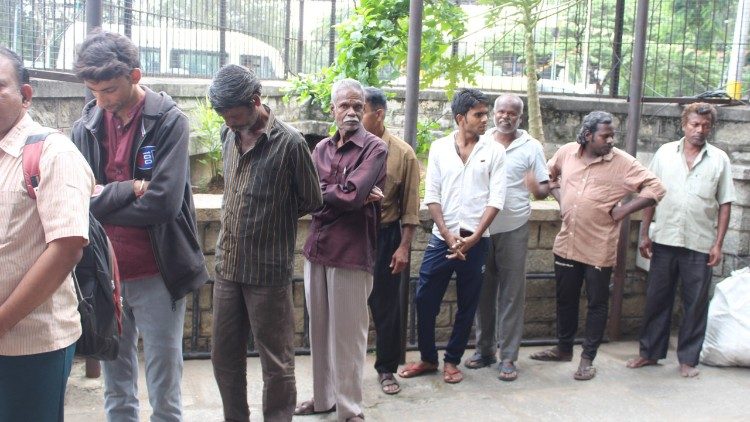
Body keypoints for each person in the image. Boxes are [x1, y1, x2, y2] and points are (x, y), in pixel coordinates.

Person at [71, 31, 209, 421]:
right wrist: (129, 189)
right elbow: (76, 197)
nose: (101, 100)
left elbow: (163, 204)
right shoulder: (87, 124)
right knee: (116, 380)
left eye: (109, 89)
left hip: (158, 270)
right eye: (93, 90)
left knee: (164, 380)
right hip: (106, 272)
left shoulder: (169, 121)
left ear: (135, 75)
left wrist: (101, 199)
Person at [207, 64, 322, 421]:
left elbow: (312, 199)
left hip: (268, 272)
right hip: (227, 267)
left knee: (276, 363)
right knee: (224, 357)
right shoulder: (229, 136)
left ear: (256, 101)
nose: (228, 120)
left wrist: (273, 216)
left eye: (234, 113)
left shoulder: (290, 144)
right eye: (222, 114)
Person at [530, 110, 665, 381]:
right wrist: (560, 197)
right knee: (565, 300)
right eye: (606, 135)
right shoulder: (568, 152)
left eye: (612, 134)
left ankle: (587, 358)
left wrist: (623, 210)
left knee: (596, 303)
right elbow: (549, 176)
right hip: (567, 243)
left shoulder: (622, 163)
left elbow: (656, 188)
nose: (611, 140)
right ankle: (564, 349)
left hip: (598, 247)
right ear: (588, 135)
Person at [0, 46, 94, 422]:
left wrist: (2, 323)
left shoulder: (53, 153)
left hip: (31, 345)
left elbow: (67, 249)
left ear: (25, 95)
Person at [398, 88, 506, 384]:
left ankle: (452, 361)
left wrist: (473, 238)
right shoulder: (439, 148)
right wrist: (446, 234)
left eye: (486, 113)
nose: (486, 119)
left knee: (467, 303)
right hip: (440, 240)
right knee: (424, 299)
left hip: (476, 241)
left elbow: (496, 199)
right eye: (479, 114)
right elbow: (431, 194)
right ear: (461, 118)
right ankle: (428, 358)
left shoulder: (495, 151)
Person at [294, 79, 386, 422]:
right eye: (344, 106)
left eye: (357, 106)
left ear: (365, 110)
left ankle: (350, 409)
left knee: (348, 336)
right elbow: (312, 197)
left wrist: (337, 193)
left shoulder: (374, 148)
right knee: (318, 332)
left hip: (351, 252)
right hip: (317, 249)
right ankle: (323, 400)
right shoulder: (320, 150)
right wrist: (346, 193)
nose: (351, 112)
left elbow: (351, 196)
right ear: (332, 109)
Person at [626, 102, 735, 378]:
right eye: (695, 125)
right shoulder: (665, 153)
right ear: (684, 125)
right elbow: (651, 195)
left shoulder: (719, 159)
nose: (699, 130)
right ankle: (649, 353)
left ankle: (688, 359)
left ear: (711, 128)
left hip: (699, 244)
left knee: (695, 303)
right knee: (657, 299)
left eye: (705, 126)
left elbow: (725, 204)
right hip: (664, 239)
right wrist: (645, 233)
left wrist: (718, 244)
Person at [464, 94, 549, 381]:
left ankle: (509, 357)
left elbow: (543, 190)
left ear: (520, 117)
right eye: (501, 111)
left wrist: (536, 186)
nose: (505, 117)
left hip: (514, 229)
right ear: (493, 113)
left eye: (512, 113)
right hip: (483, 230)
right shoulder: (482, 141)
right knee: (482, 293)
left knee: (512, 294)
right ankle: (484, 350)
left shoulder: (532, 147)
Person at [360, 87, 420, 395]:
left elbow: (410, 207)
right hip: (351, 236)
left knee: (386, 307)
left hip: (385, 236)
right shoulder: (344, 145)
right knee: (347, 306)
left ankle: (386, 369)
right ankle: (344, 368)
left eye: (361, 111)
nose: (353, 116)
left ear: (378, 114)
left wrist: (403, 246)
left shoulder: (403, 153)